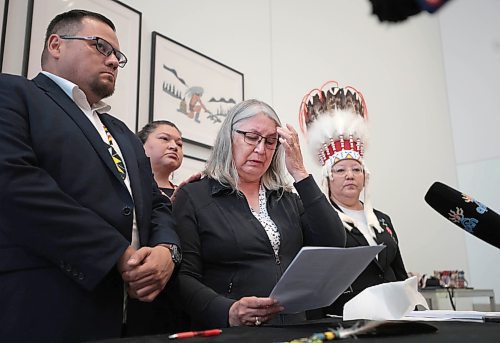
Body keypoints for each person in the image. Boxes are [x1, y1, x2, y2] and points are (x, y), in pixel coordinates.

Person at [0, 9, 180, 342]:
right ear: (56, 45)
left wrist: (167, 251)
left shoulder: (123, 133)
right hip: (48, 308)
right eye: (101, 46)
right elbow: (15, 184)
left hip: (135, 314)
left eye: (117, 55)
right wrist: (116, 252)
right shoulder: (13, 94)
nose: (113, 61)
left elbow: (157, 204)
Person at [172, 99, 346, 330]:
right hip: (231, 332)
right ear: (229, 137)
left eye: (271, 142)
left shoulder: (287, 199)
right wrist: (228, 310)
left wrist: (300, 173)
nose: (261, 150)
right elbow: (184, 277)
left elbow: (333, 243)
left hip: (293, 328)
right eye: (252, 137)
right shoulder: (194, 197)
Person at [299, 81, 408, 317]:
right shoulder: (319, 221)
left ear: (365, 176)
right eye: (340, 170)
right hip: (343, 317)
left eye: (356, 170)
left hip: (393, 314)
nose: (350, 175)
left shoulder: (383, 220)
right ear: (327, 179)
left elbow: (399, 272)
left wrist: (412, 305)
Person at [138, 120, 184, 209]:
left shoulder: (185, 195)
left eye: (179, 144)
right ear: (140, 144)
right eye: (165, 138)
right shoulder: (130, 188)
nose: (174, 147)